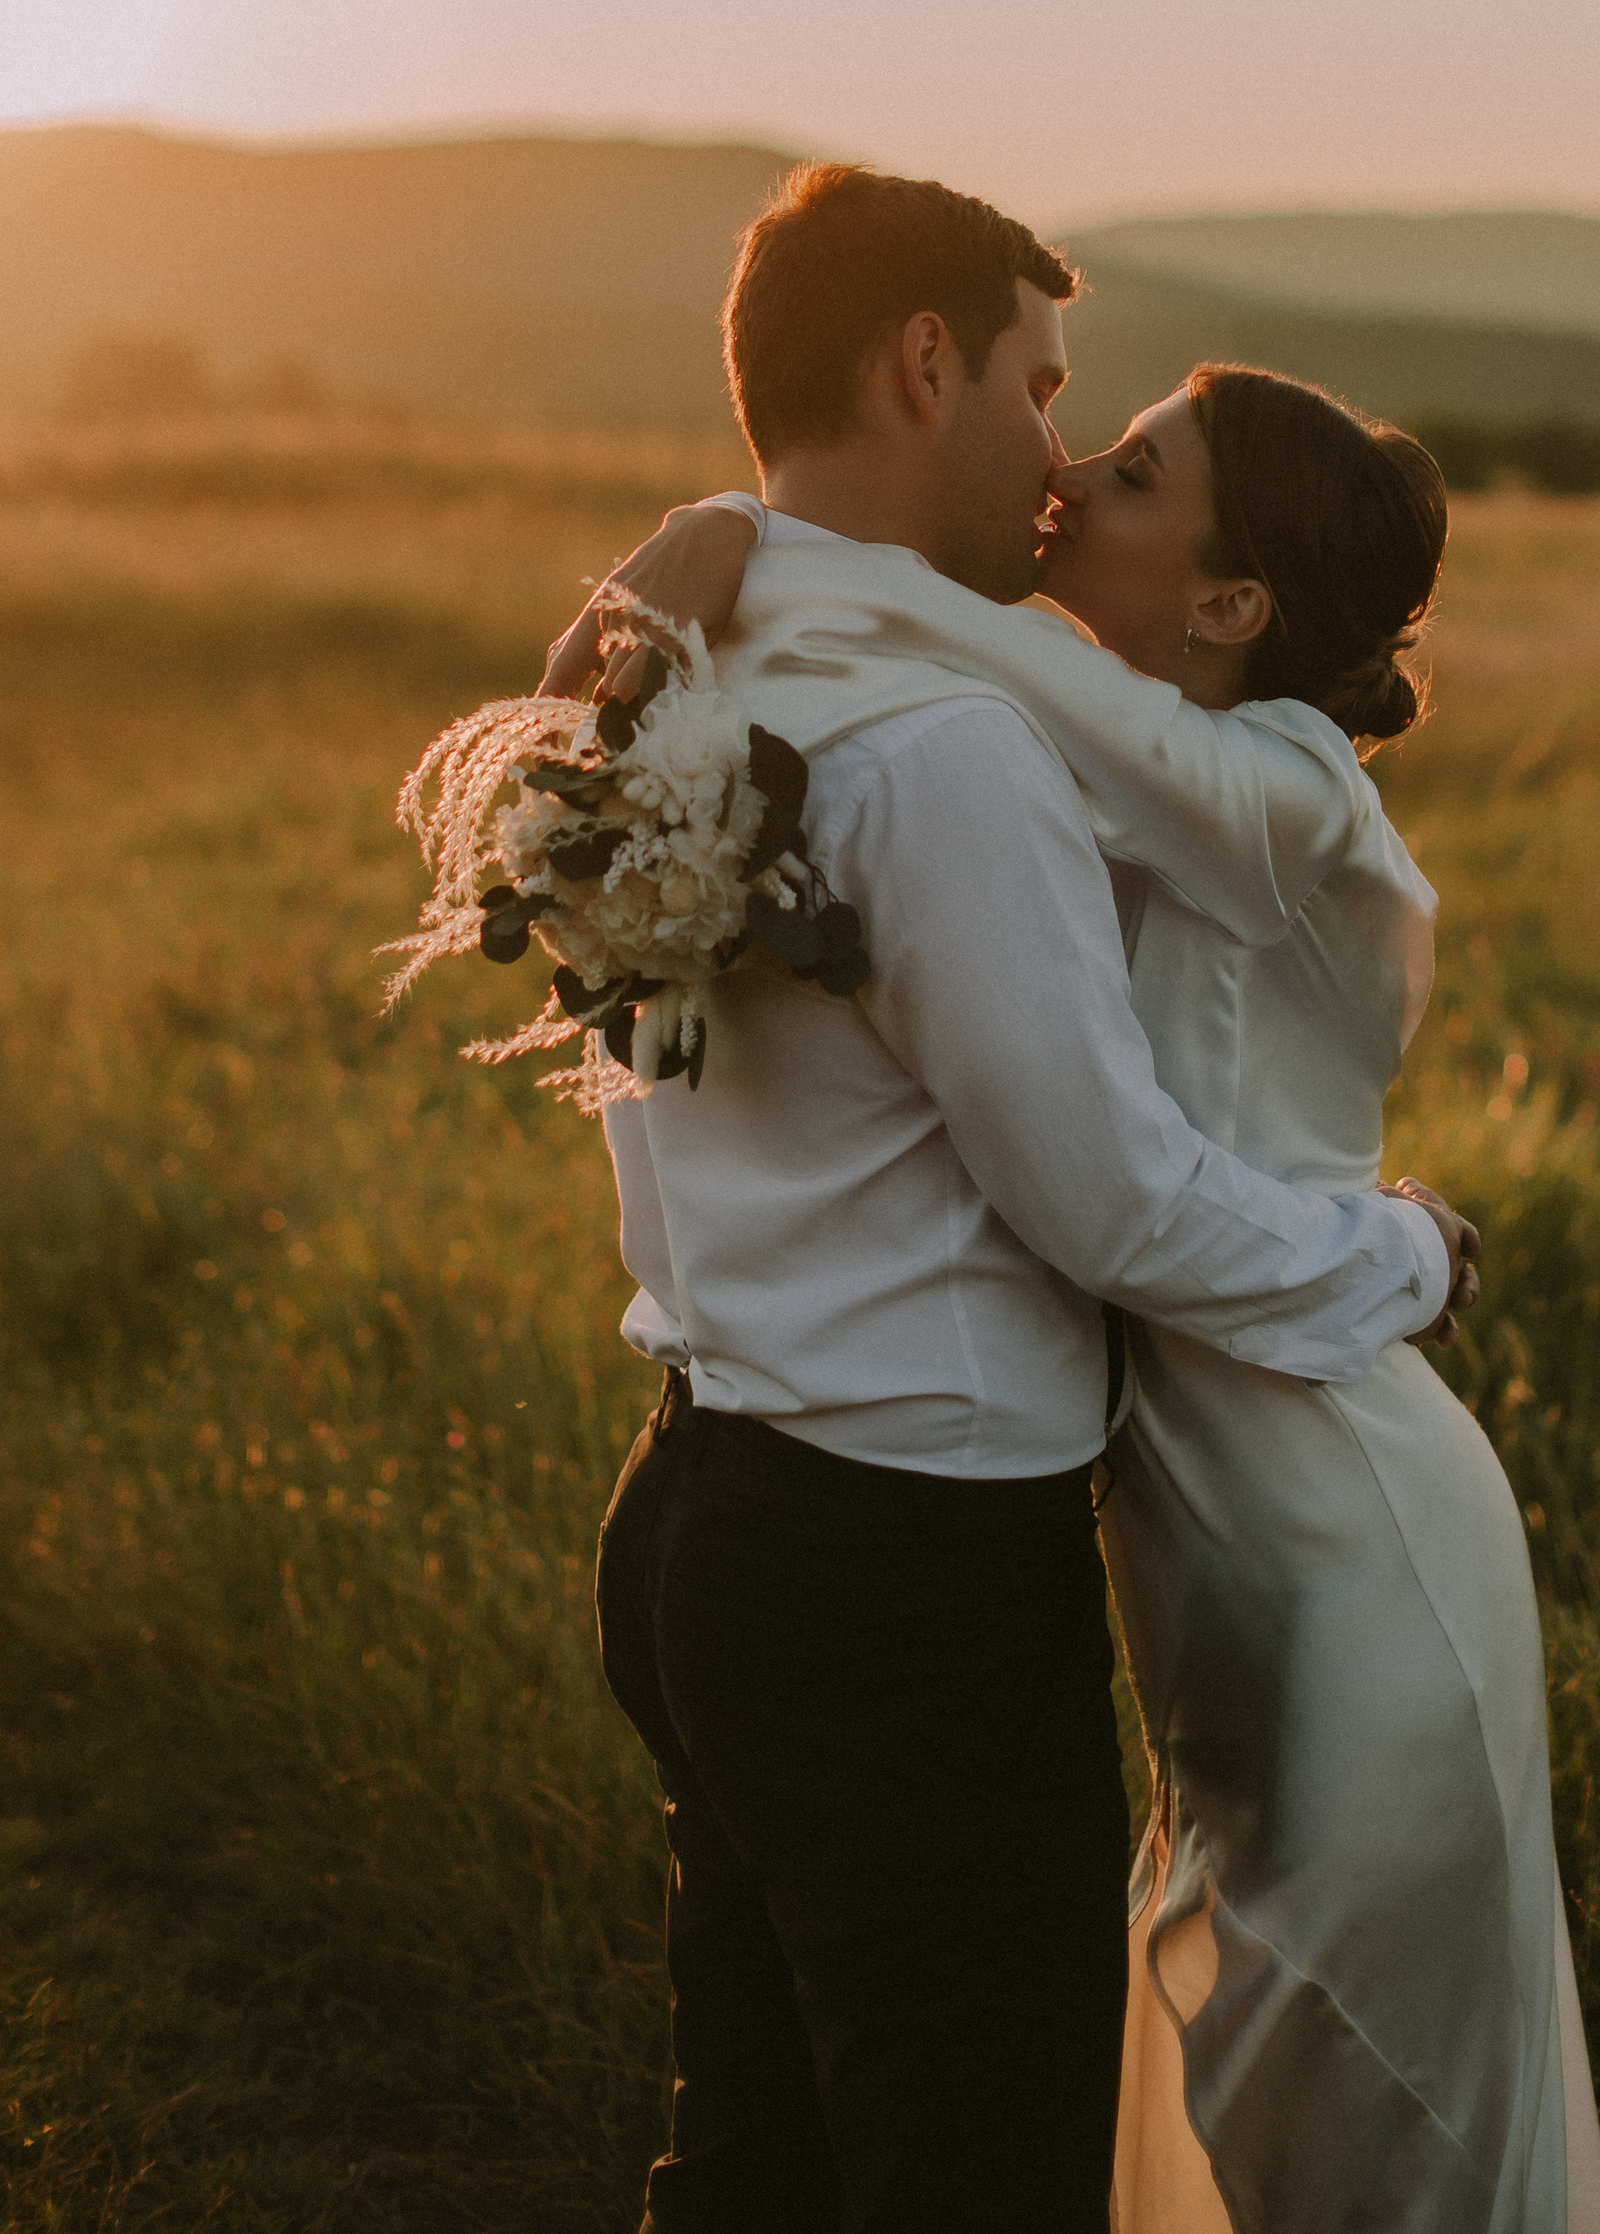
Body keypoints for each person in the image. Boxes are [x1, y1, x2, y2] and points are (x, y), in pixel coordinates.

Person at [558, 166, 1481, 2234]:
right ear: (923, 364)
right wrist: (1399, 1250)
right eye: (1044, 386)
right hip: (903, 1575)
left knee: (759, 2165)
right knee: (976, 2176)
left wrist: (706, 535)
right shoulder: (951, 748)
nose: (1061, 455)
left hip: (698, 1508)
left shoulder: (673, 668)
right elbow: (1121, 1211)